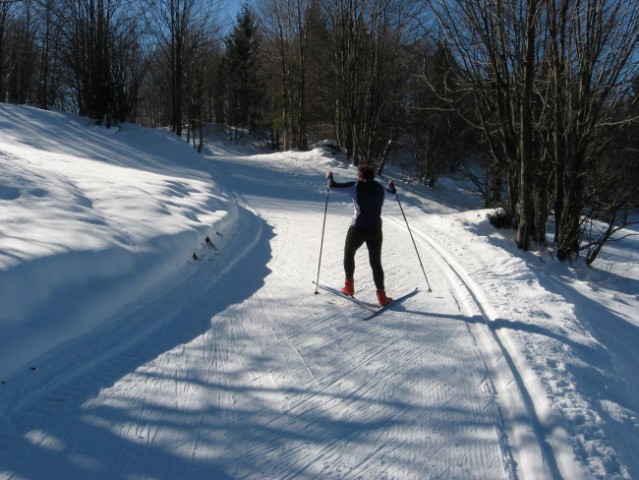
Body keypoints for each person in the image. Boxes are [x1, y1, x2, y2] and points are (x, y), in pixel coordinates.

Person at [326, 164, 396, 306]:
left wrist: (329, 176)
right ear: (373, 175)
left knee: (349, 253)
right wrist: (391, 184)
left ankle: (349, 287)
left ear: (360, 175)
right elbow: (393, 195)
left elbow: (332, 186)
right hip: (375, 229)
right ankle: (382, 297)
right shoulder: (380, 188)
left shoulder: (355, 186)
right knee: (375, 262)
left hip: (358, 228)